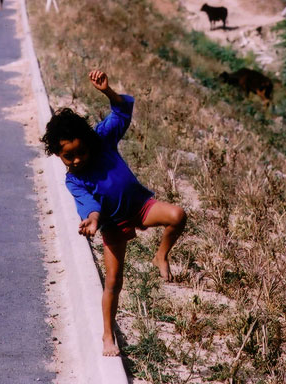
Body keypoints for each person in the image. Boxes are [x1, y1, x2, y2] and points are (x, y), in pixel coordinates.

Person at [40, 70, 187, 356]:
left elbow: (121, 112)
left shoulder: (101, 139)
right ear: (58, 155)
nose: (77, 159)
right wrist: (93, 221)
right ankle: (108, 335)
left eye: (80, 151)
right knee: (113, 283)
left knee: (177, 215)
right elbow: (89, 206)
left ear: (86, 140)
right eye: (68, 157)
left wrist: (108, 91)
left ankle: (161, 255)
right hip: (113, 225)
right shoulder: (74, 180)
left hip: (141, 207)